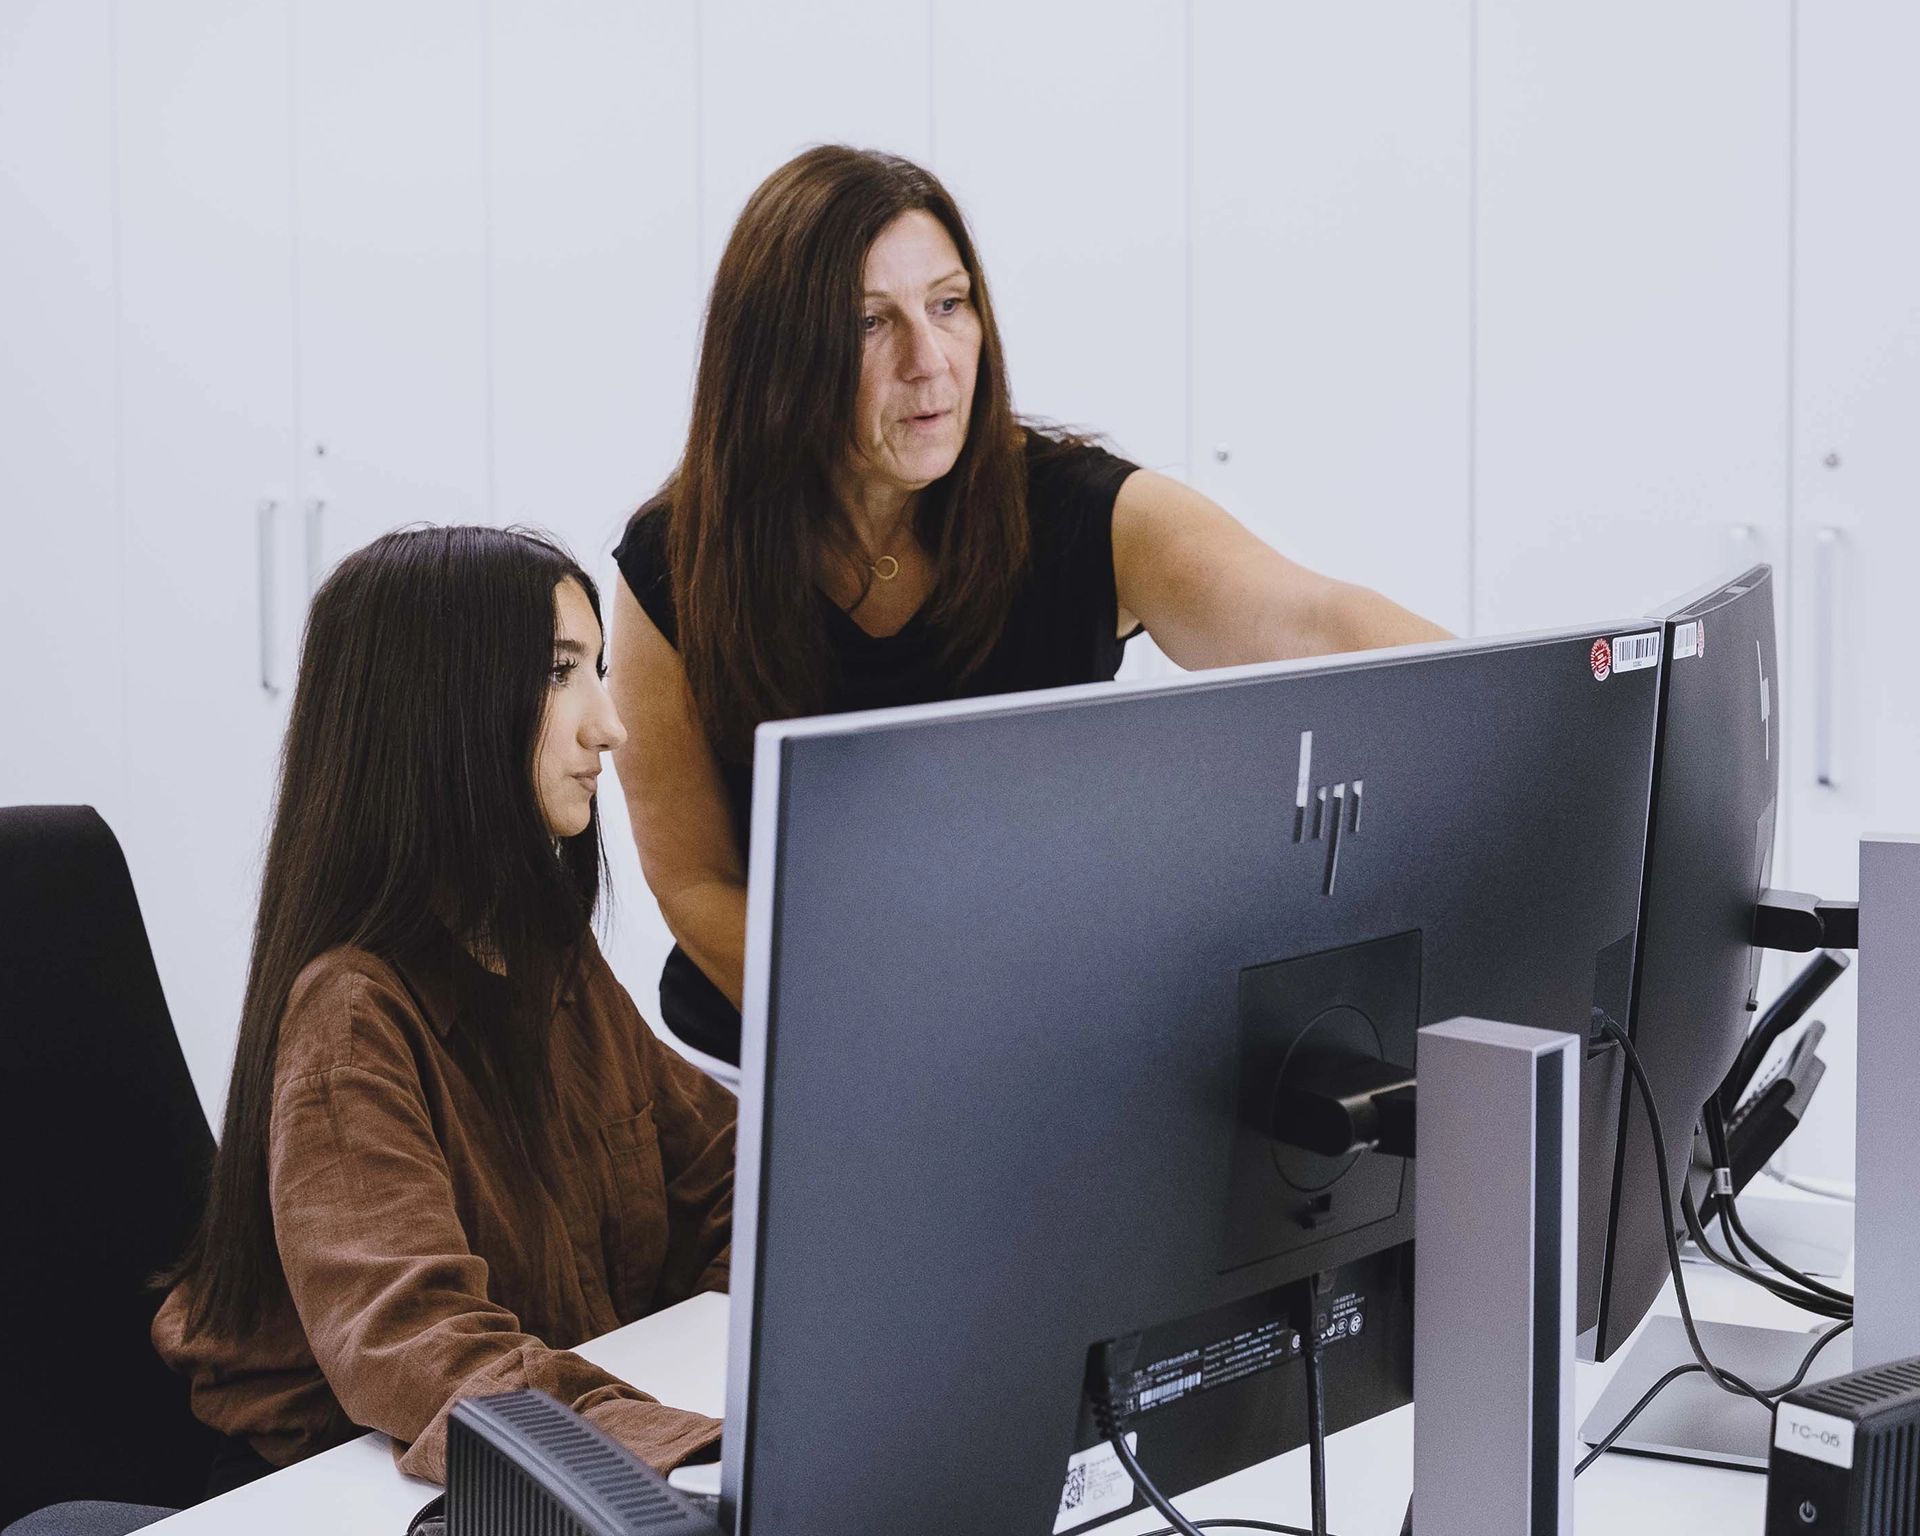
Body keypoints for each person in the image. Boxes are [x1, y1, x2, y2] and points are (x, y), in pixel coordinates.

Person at [611, 145, 1451, 1066]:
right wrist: (889, 1049)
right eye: (866, 324)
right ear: (776, 358)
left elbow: (1314, 620)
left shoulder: (1078, 509)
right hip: (768, 1061)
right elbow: (697, 881)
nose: (930, 362)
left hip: (1021, 1054)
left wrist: (1515, 713)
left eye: (948, 303)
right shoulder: (678, 557)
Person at [152, 526, 733, 1492]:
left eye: (597, 667)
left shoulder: (548, 961)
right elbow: (427, 1355)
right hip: (337, 1488)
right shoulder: (350, 1018)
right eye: (559, 673)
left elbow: (725, 1177)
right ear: (443, 715)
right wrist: (676, 1442)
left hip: (540, 1445)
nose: (610, 724)